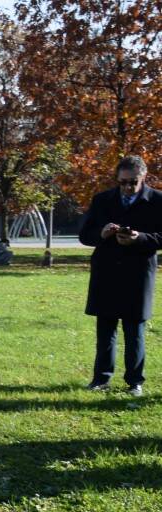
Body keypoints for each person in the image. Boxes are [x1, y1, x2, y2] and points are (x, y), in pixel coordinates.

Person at [78, 155, 162, 396]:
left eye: (132, 182)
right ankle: (101, 378)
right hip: (107, 271)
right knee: (105, 329)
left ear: (144, 177)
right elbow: (85, 235)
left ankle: (135, 381)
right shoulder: (103, 200)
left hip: (138, 272)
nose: (127, 187)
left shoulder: (157, 201)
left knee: (134, 330)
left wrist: (140, 238)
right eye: (122, 182)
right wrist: (102, 233)